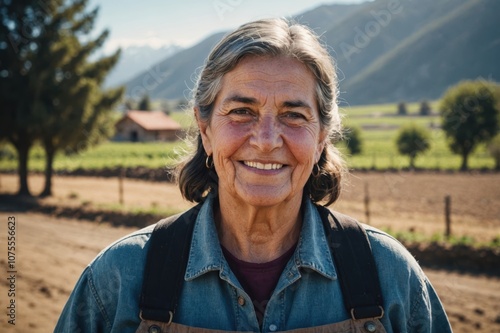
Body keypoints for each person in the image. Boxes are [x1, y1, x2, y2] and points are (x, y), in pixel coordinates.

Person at [54, 18, 452, 333]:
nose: (265, 141)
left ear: (321, 139)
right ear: (206, 129)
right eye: (241, 111)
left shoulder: (390, 276)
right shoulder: (118, 280)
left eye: (293, 115)